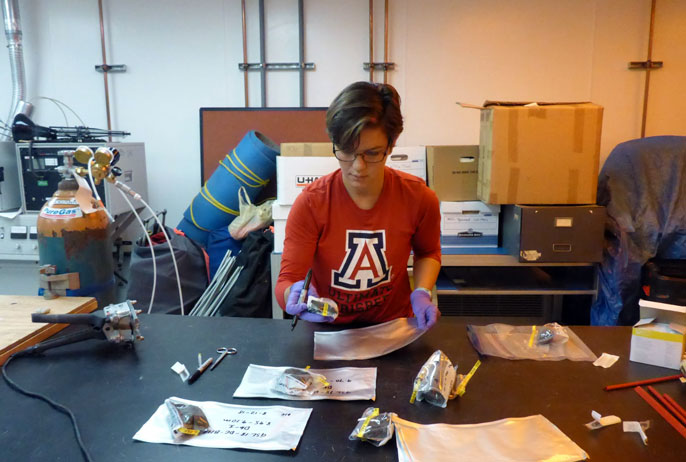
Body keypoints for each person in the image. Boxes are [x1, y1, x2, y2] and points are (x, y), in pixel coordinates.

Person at [275, 81, 442, 328]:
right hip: (328, 328)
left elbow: (428, 252)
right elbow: (287, 280)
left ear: (392, 144)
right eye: (346, 151)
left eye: (372, 153)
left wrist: (422, 292)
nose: (358, 166)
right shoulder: (311, 204)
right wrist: (295, 297)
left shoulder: (419, 198)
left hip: (393, 327)